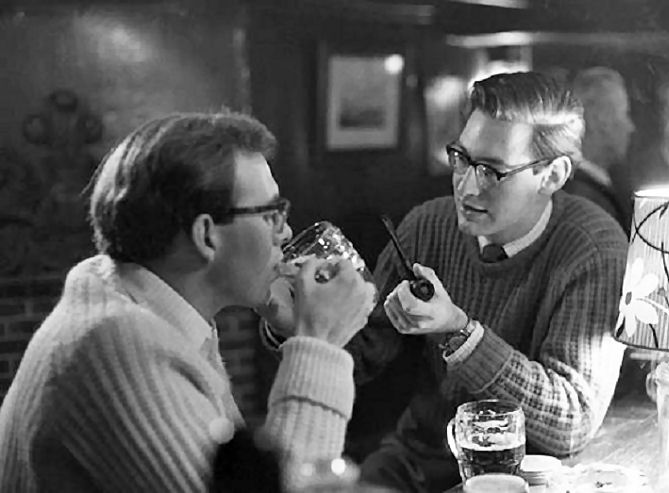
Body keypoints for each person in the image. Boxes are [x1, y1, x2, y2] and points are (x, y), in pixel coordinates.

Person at [262, 71, 628, 492]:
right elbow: (363, 356)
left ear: (553, 175)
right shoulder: (428, 226)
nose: (467, 187)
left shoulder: (592, 247)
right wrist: (297, 325)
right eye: (462, 159)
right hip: (416, 466)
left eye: (491, 170)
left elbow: (570, 421)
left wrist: (460, 334)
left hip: (526, 480)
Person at [0, 112, 376, 492]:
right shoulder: (118, 346)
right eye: (271, 215)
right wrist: (318, 343)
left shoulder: (140, 309)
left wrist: (307, 335)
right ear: (207, 235)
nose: (287, 232)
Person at [563, 66, 635, 232]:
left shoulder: (579, 192)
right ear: (600, 120)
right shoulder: (585, 202)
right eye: (625, 114)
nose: (631, 127)